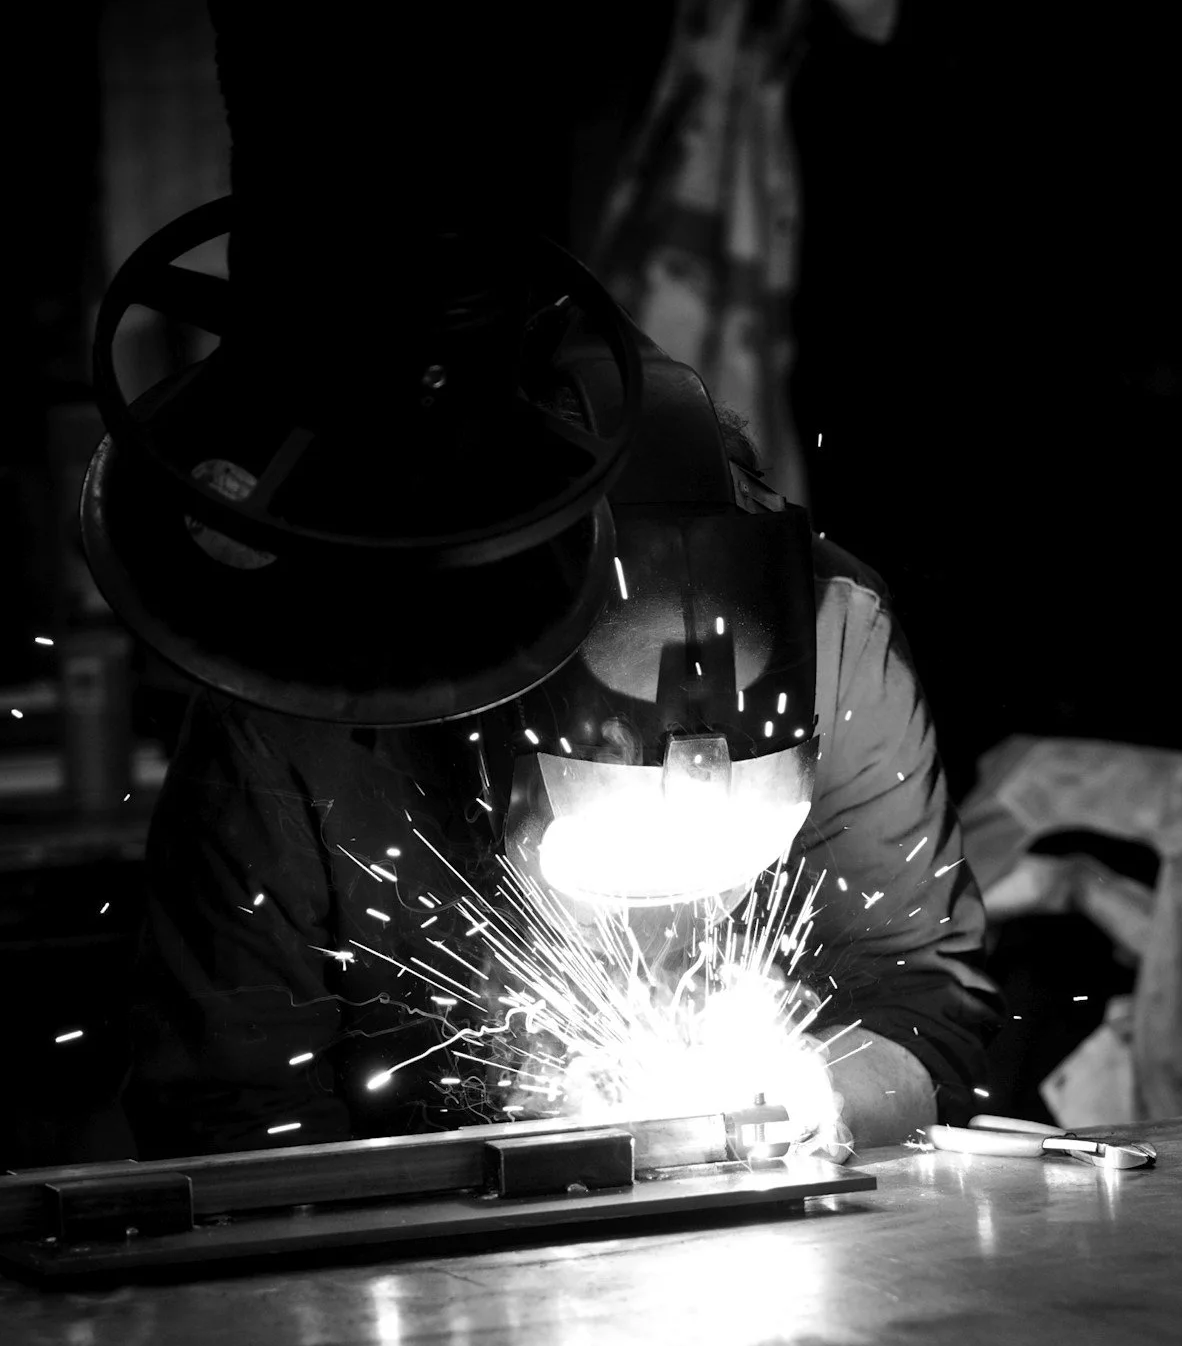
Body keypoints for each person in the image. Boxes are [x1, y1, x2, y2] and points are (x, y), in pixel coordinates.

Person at [124, 416, 997, 1159]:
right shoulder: (300, 711)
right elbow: (233, 1122)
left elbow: (926, 999)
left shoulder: (834, 638)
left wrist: (820, 1095)